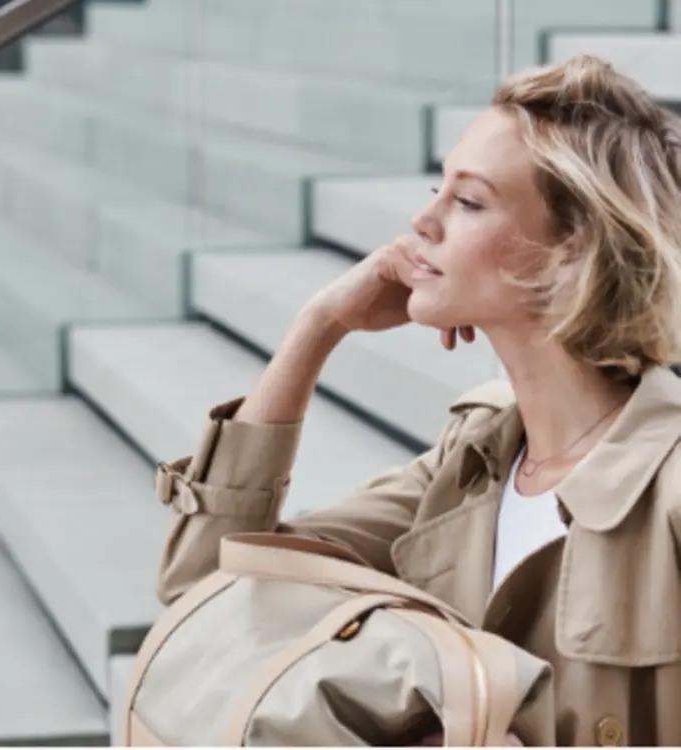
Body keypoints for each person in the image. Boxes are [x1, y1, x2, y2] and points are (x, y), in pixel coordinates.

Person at [153, 54, 681, 747]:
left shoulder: (668, 489)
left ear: (571, 247)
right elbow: (205, 586)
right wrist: (318, 327)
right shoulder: (472, 462)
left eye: (467, 202)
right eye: (439, 188)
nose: (422, 221)